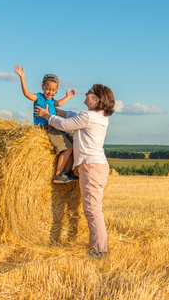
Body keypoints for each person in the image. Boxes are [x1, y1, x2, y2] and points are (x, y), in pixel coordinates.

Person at [35, 84, 115, 258]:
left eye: (89, 93)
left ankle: (100, 250)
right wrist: (55, 108)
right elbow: (72, 116)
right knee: (92, 209)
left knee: (93, 210)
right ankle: (94, 247)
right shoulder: (99, 116)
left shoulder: (88, 117)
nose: (85, 94)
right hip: (96, 166)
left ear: (97, 99)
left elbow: (64, 124)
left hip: (91, 167)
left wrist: (46, 115)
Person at [14, 65, 76, 183]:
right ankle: (58, 174)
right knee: (67, 148)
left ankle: (68, 173)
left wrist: (68, 96)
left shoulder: (52, 101)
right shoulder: (39, 97)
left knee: (74, 144)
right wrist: (22, 78)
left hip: (55, 127)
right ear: (43, 87)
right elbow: (27, 94)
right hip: (47, 128)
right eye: (48, 89)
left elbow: (60, 103)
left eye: (53, 90)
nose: (50, 92)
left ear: (56, 91)